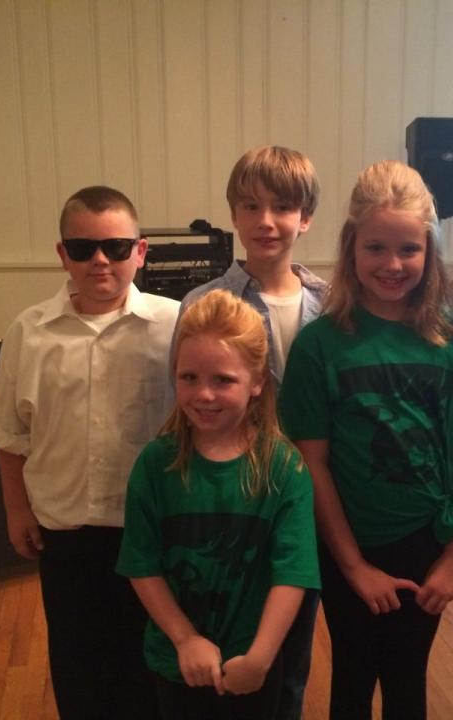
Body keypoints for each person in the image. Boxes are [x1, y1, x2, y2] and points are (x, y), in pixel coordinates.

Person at [279, 160, 453, 720]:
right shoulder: (319, 346)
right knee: (352, 676)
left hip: (427, 545)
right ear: (352, 247)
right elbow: (313, 465)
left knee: (407, 678)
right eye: (376, 248)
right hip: (346, 542)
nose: (393, 264)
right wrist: (353, 565)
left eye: (409, 249)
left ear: (429, 250)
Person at [0, 185, 178, 719]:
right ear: (62, 252)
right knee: (79, 662)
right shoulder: (29, 331)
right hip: (65, 530)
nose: (99, 261)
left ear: (140, 251)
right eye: (83, 247)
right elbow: (9, 432)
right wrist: (16, 509)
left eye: (115, 247)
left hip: (152, 529)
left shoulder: (175, 326)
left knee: (152, 663)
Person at [117, 288, 320, 720]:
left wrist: (261, 657)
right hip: (176, 664)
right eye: (189, 377)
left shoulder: (284, 469)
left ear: (257, 381)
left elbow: (294, 571)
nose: (203, 394)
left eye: (223, 380)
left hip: (254, 666)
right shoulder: (156, 465)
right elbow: (141, 564)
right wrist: (185, 639)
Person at [177, 144, 326, 719]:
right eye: (251, 206)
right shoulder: (204, 304)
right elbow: (188, 402)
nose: (266, 222)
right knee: (226, 641)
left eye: (283, 207)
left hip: (304, 503)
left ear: (305, 216)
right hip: (231, 505)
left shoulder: (331, 304)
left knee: (291, 656)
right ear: (233, 215)